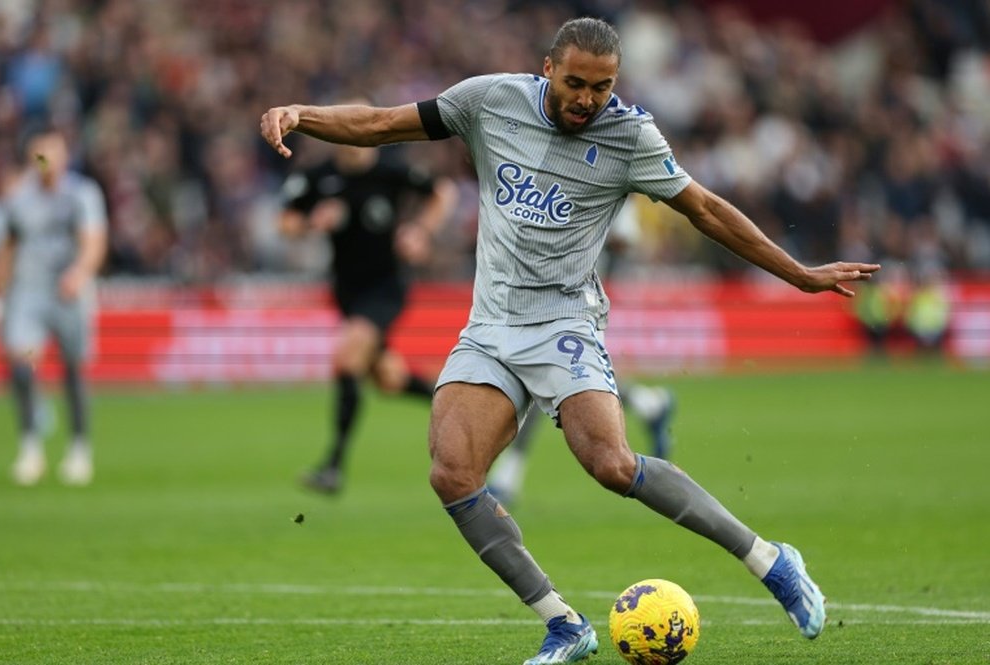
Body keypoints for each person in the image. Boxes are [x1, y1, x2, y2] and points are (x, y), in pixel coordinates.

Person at [260, 17, 880, 664]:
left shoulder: (631, 136)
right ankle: (563, 623)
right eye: (577, 82)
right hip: (490, 325)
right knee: (451, 471)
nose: (588, 98)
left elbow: (706, 209)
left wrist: (801, 275)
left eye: (603, 86)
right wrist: (302, 114)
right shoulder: (491, 100)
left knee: (612, 464)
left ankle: (772, 561)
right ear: (549, 68)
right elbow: (383, 124)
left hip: (564, 324)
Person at [277, 113, 458, 494]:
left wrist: (421, 232)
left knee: (347, 357)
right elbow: (286, 223)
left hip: (386, 288)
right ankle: (457, 401)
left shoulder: (390, 171)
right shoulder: (318, 177)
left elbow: (444, 192)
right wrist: (312, 222)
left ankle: (333, 466)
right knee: (389, 380)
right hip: (347, 291)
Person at [488, 196, 677, 508]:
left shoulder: (603, 174)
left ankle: (508, 475)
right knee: (564, 382)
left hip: (575, 300)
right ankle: (649, 403)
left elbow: (625, 240)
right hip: (540, 295)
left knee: (544, 378)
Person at [0, 126, 108, 486]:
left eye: (53, 154)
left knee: (73, 370)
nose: (47, 163)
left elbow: (93, 240)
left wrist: (80, 273)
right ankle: (30, 448)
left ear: (64, 157)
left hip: (69, 293)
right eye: (40, 156)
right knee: (23, 364)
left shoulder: (82, 194)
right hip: (28, 294)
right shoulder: (18, 200)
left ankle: (78, 448)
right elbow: (8, 249)